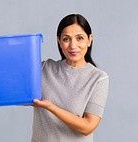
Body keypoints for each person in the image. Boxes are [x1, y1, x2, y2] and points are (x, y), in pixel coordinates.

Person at [31, 14, 109, 142]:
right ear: (59, 41)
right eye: (66, 39)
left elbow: (88, 127)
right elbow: (13, 89)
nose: (73, 45)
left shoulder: (98, 78)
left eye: (80, 38)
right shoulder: (44, 68)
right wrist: (0, 48)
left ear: (89, 40)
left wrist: (50, 107)